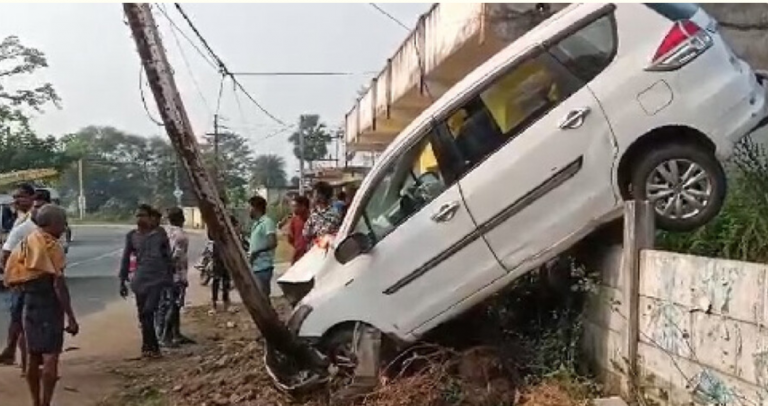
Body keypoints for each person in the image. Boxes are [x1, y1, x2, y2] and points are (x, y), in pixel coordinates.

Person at [4, 204, 78, 406]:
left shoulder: (25, 244)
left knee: (32, 355)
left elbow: (12, 276)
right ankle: (45, 403)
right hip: (49, 304)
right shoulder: (52, 246)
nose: (64, 228)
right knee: (51, 357)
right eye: (62, 223)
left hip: (28, 302)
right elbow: (59, 285)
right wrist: (70, 316)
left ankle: (35, 401)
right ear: (53, 224)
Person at [119, 204, 173, 358]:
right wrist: (122, 280)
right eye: (137, 215)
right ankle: (148, 346)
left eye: (142, 215)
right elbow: (125, 259)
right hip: (140, 279)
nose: (139, 219)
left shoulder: (160, 234)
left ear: (150, 218)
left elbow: (167, 258)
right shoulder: (132, 236)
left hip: (157, 279)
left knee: (149, 311)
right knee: (143, 315)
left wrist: (169, 279)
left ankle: (152, 346)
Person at [0, 183, 37, 369]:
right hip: (20, 276)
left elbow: (6, 253)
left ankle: (16, 354)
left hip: (25, 277)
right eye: (15, 197)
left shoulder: (30, 221)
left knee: (21, 319)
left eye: (21, 196)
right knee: (19, 319)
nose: (16, 200)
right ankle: (17, 356)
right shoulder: (19, 219)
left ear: (32, 198)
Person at [156, 207, 193, 347]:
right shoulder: (181, 236)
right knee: (175, 304)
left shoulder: (165, 232)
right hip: (177, 274)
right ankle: (166, 336)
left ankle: (175, 333)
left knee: (169, 304)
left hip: (165, 274)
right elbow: (176, 257)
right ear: (182, 219)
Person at [248, 195, 277, 298]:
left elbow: (272, 242)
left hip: (263, 266)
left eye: (250, 207)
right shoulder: (256, 224)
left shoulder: (267, 222)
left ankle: (270, 314)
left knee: (263, 296)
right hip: (256, 266)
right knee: (259, 297)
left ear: (256, 208)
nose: (249, 210)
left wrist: (256, 252)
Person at [287, 195, 310, 264]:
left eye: (295, 206)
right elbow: (290, 238)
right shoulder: (294, 220)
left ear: (303, 206)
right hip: (298, 255)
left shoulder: (313, 219)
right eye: (293, 206)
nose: (293, 209)